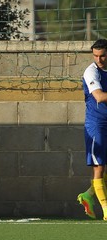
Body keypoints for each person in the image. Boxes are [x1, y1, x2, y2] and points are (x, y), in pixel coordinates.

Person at [78, 39, 107, 221]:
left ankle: (89, 194)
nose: (99, 59)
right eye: (95, 55)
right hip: (97, 125)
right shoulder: (91, 71)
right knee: (99, 167)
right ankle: (106, 209)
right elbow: (99, 96)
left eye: (102, 55)